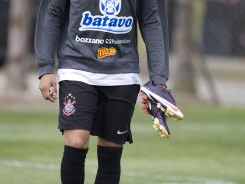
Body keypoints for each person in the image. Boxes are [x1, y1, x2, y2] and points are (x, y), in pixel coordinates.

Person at [35, 0, 178, 183]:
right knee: (76, 142)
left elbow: (152, 20)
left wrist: (159, 80)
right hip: (76, 68)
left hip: (123, 73)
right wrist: (45, 68)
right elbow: (52, 11)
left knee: (111, 152)